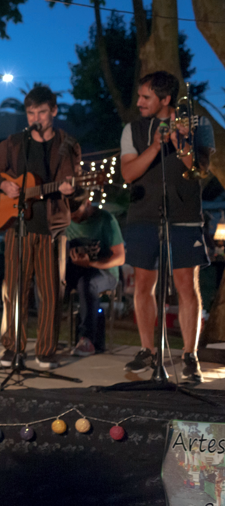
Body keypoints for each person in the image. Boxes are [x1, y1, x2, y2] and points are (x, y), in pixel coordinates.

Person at [120, 71, 213, 381]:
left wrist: (181, 141)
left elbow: (201, 171)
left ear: (165, 99)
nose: (139, 102)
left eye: (146, 97)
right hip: (144, 215)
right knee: (143, 285)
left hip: (184, 215)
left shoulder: (200, 125)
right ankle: (148, 350)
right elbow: (129, 173)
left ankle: (190, 355)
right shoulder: (132, 129)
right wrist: (157, 144)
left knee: (187, 285)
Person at [0, 85, 81, 369]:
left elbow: (69, 180)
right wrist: (3, 184)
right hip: (17, 226)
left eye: (42, 112)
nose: (36, 118)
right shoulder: (13, 143)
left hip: (51, 228)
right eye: (31, 112)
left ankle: (46, 350)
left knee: (50, 292)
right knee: (14, 290)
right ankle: (13, 347)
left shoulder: (67, 144)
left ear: (54, 111)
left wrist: (68, 188)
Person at [65, 189, 125, 356]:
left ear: (88, 204)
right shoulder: (66, 220)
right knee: (52, 281)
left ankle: (87, 339)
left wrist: (91, 262)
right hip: (77, 270)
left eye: (75, 212)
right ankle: (48, 334)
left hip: (106, 273)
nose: (72, 216)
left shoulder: (105, 220)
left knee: (88, 283)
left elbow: (120, 258)